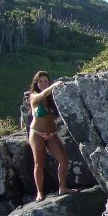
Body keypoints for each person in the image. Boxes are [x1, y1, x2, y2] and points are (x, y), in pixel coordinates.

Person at [28, 70, 72, 201]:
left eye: (46, 81)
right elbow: (41, 95)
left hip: (51, 134)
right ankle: (39, 192)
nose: (43, 83)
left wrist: (53, 131)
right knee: (38, 163)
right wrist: (54, 85)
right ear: (36, 83)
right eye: (40, 81)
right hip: (36, 133)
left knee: (64, 159)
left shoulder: (53, 96)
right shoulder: (33, 96)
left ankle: (62, 187)